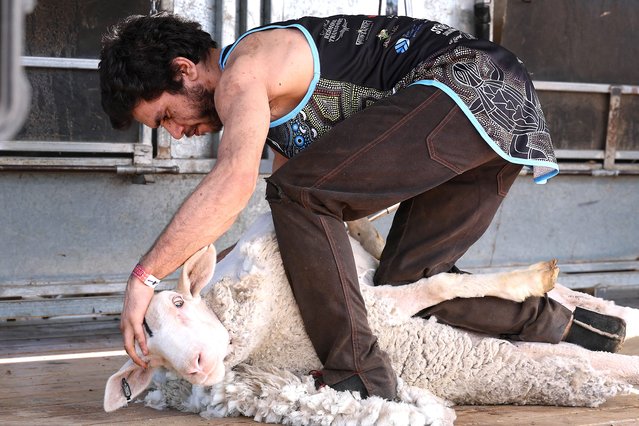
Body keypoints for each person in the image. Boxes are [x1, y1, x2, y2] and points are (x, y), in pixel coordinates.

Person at [99, 13, 626, 400]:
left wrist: (144, 278)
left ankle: (358, 379)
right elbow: (288, 232)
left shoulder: (244, 71)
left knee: (297, 195)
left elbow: (238, 183)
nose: (177, 134)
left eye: (166, 115)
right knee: (406, 282)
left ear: (185, 69)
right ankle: (579, 329)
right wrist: (216, 289)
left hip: (467, 87)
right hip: (499, 113)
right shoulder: (277, 121)